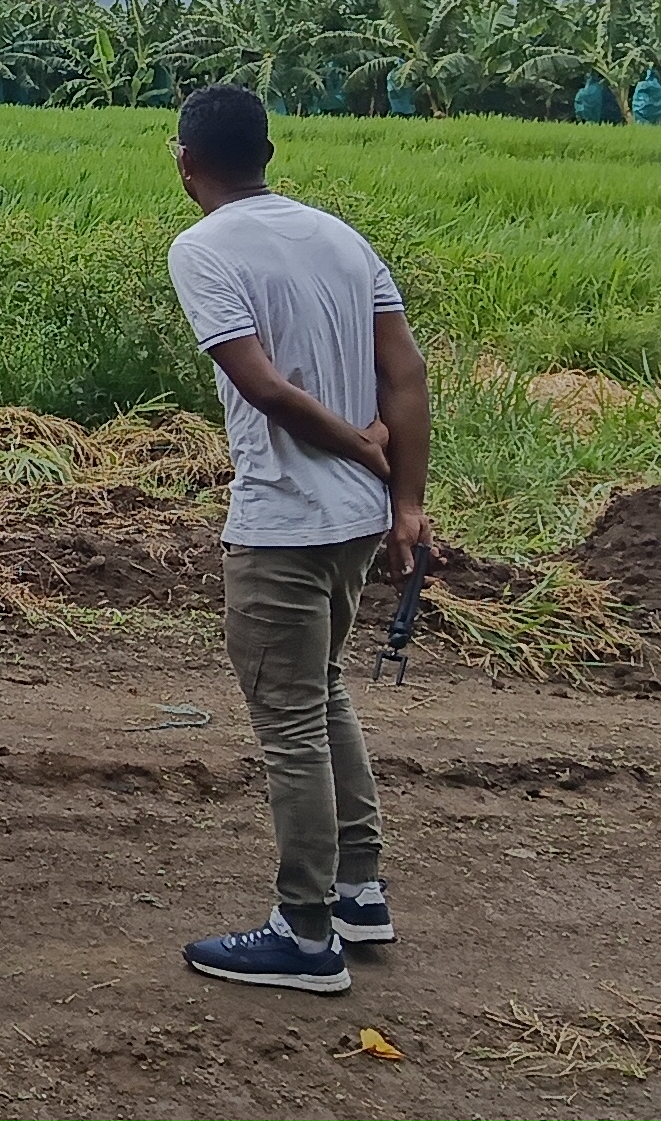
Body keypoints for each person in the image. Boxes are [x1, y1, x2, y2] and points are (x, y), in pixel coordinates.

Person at [164, 84, 429, 996]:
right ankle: (359, 890)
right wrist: (404, 499)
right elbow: (407, 371)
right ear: (268, 154)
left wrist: (355, 444)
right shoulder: (339, 237)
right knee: (322, 691)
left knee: (289, 725)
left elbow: (263, 387)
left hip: (282, 521)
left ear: (184, 162)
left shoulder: (202, 248)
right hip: (357, 519)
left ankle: (306, 932)